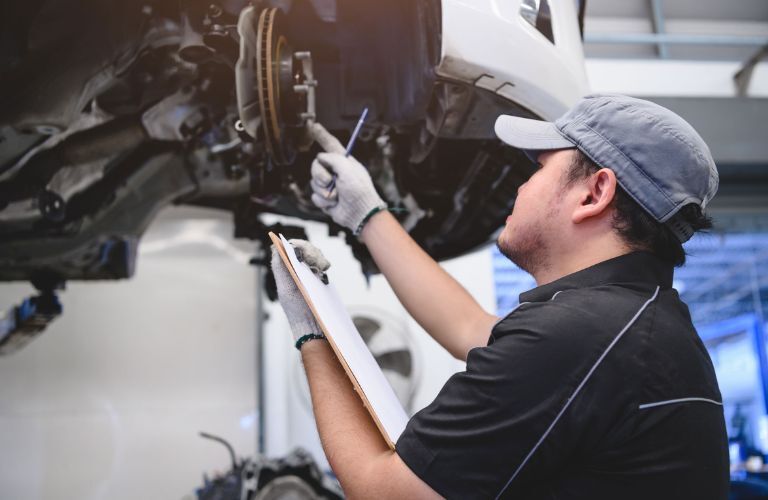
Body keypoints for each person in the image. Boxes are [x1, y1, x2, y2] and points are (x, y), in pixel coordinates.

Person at [270, 94, 730, 499]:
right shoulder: (633, 324)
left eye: (541, 167)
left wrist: (311, 333)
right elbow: (468, 326)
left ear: (595, 192)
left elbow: (384, 492)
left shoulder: (581, 337)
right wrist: (365, 212)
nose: (522, 185)